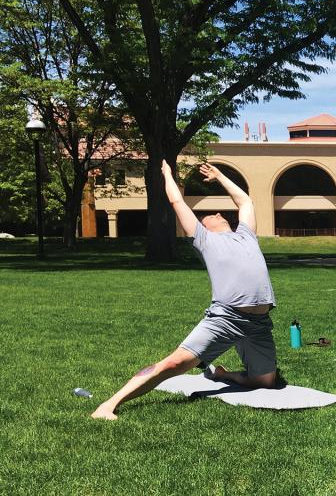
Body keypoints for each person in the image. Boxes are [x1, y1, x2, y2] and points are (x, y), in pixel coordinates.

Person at [92, 162, 277, 420]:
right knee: (174, 364)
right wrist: (168, 175)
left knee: (266, 382)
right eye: (208, 215)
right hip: (226, 318)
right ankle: (108, 405)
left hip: (258, 322)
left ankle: (222, 374)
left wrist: (219, 176)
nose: (216, 214)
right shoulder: (204, 239)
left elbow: (245, 202)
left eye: (219, 213)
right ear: (203, 226)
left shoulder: (246, 234)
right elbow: (177, 202)